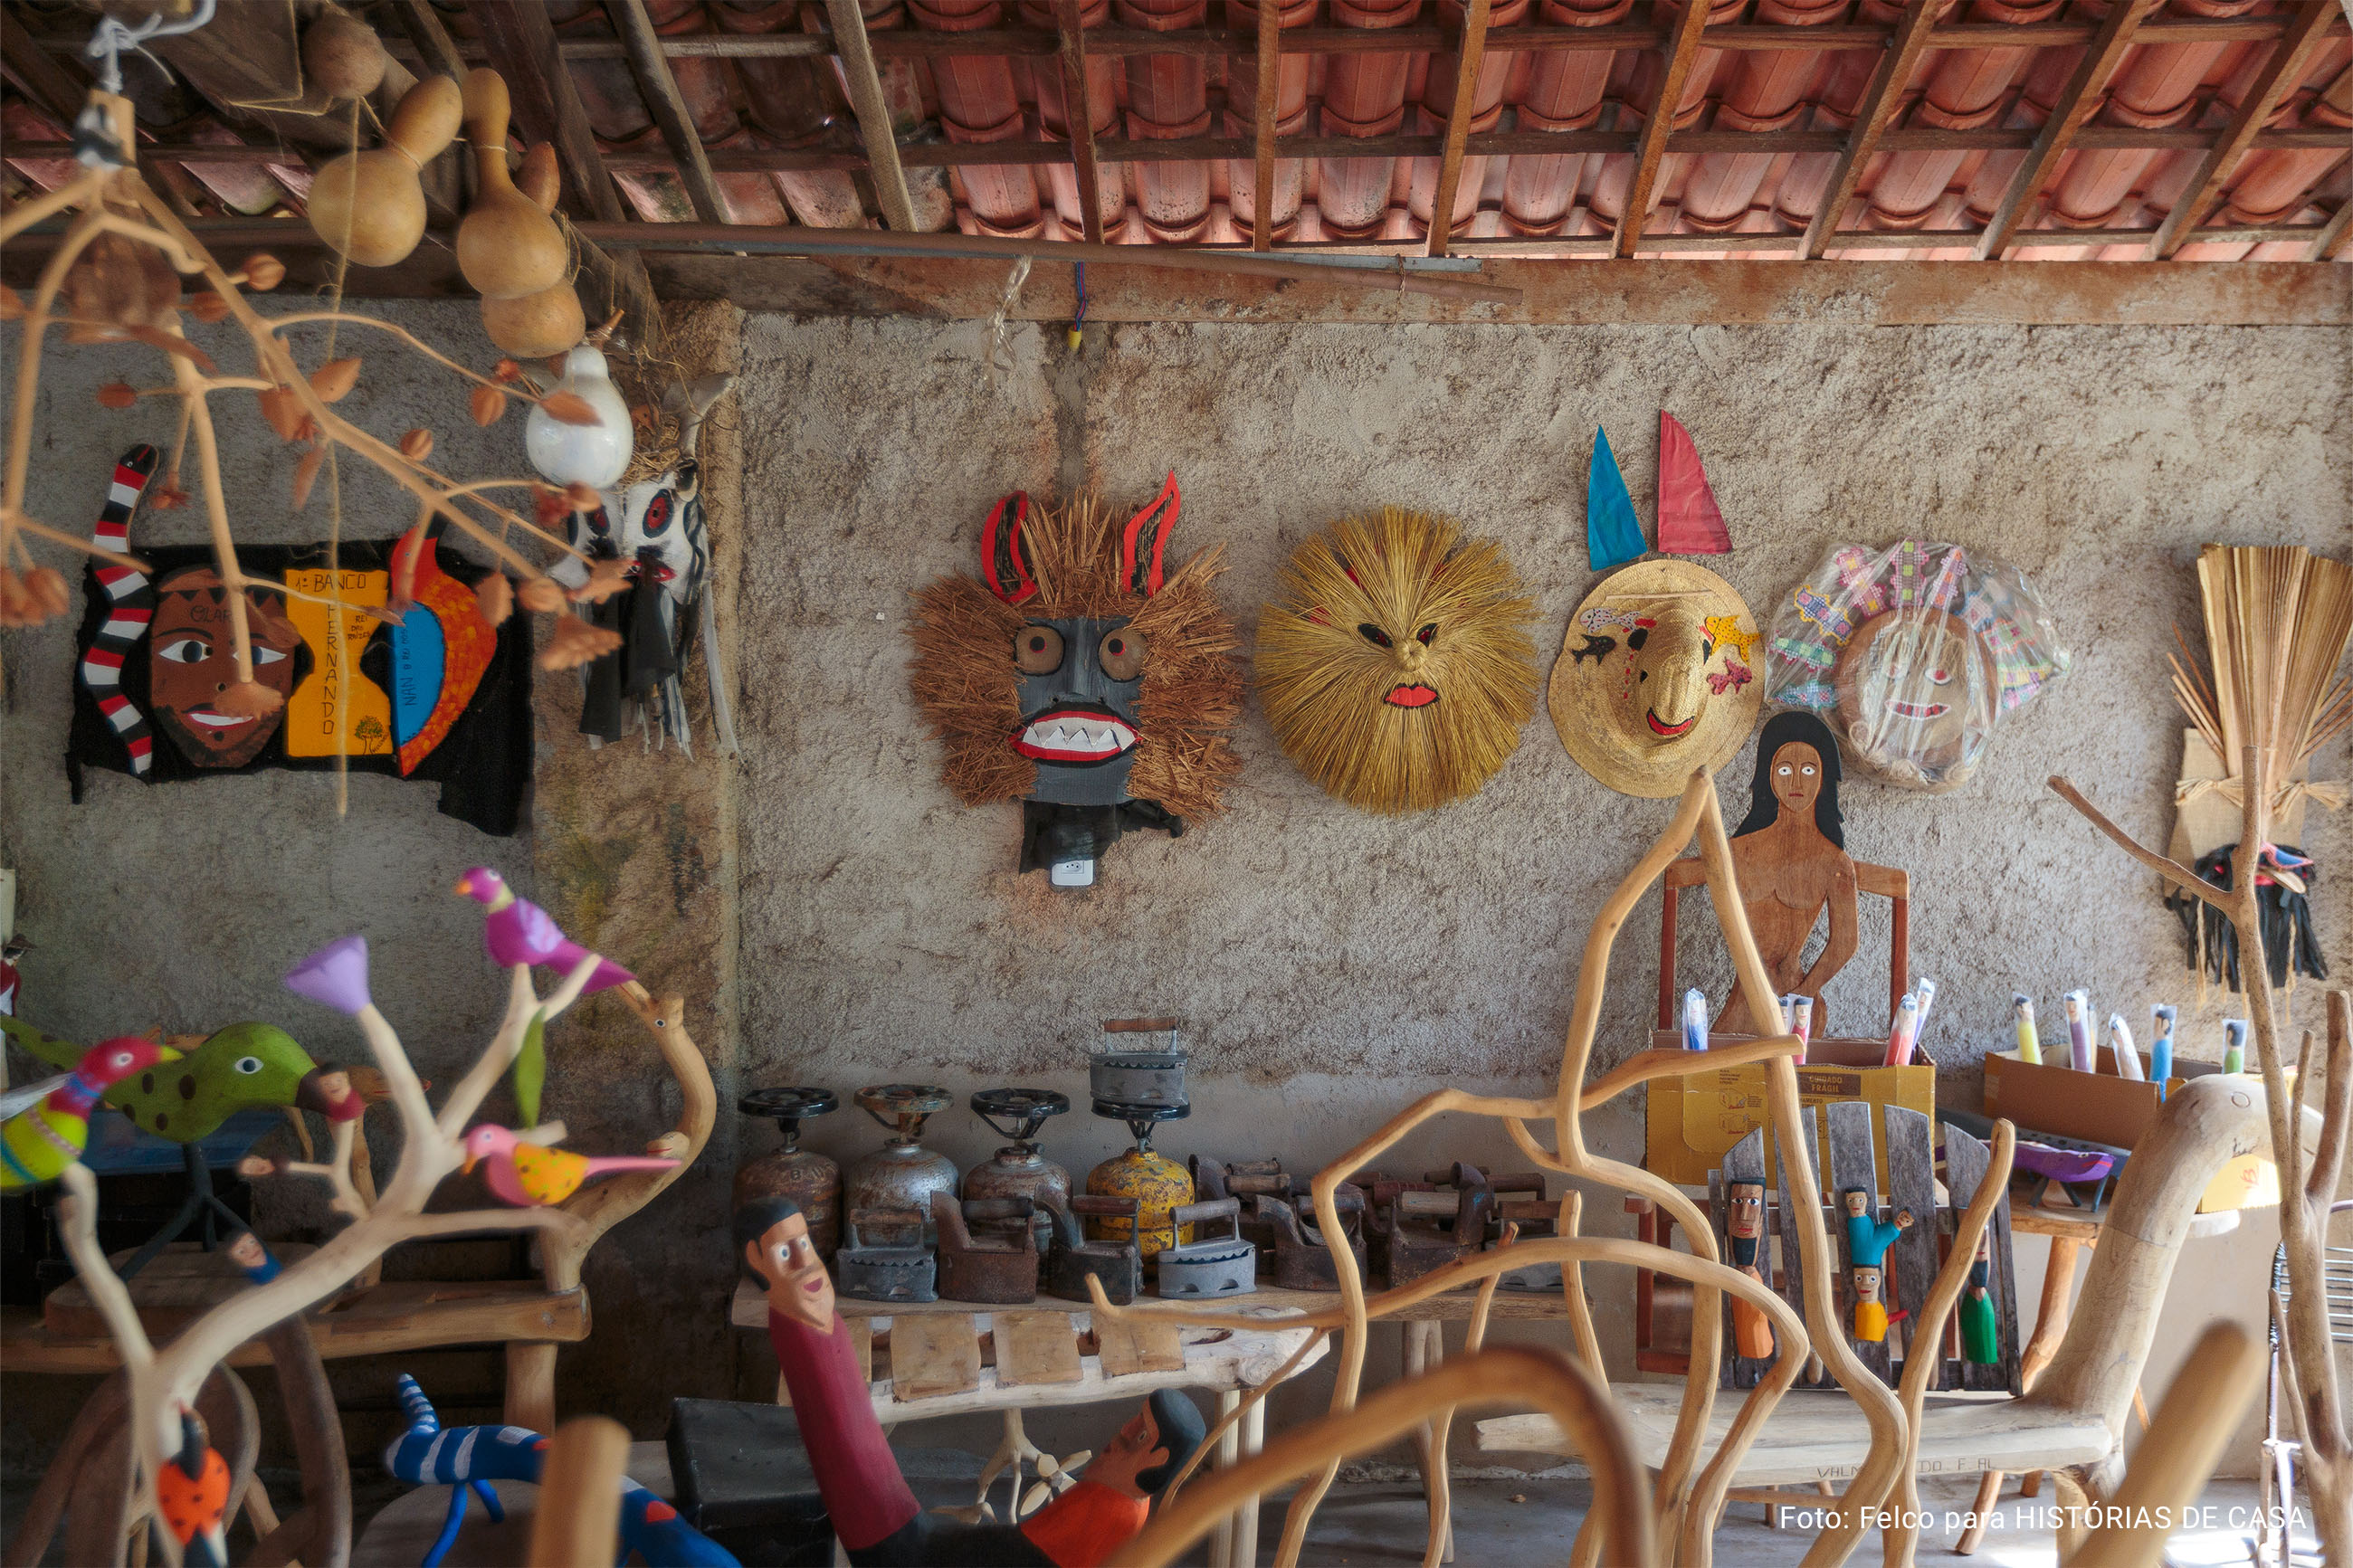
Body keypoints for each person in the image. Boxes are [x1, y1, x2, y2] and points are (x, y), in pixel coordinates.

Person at [737, 1197, 1205, 1567]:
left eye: (1139, 1436)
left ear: (1157, 1460)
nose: (1118, 1437)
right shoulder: (802, 1321)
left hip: (904, 1543)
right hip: (898, 1535)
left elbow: (1019, 1555)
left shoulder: (1110, 1510)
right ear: (756, 1261)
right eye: (785, 1252)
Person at [1721, 711, 1860, 1036]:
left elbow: (1845, 941)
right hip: (1745, 997)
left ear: (1823, 777)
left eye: (1808, 770)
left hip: (1796, 1003)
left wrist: (1803, 994)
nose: (1796, 783)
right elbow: (1694, 874)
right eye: (1785, 769)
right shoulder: (1741, 849)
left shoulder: (1834, 862)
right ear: (1768, 774)